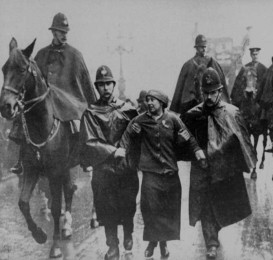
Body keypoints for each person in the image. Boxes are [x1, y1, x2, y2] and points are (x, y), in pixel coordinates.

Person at [120, 89, 205, 258]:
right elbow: (127, 135)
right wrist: (122, 149)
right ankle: (152, 243)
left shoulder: (173, 119)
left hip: (170, 173)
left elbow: (188, 137)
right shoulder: (140, 120)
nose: (149, 103)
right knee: (150, 210)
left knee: (168, 211)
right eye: (148, 100)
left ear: (162, 103)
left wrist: (197, 150)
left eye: (153, 100)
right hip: (150, 174)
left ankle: (163, 244)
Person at [182, 68, 256, 259]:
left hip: (224, 169)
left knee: (222, 203)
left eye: (213, 92)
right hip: (203, 169)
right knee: (205, 204)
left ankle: (216, 229)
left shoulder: (231, 113)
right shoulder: (192, 115)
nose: (208, 96)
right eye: (205, 92)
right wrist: (195, 151)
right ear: (201, 92)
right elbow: (183, 139)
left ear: (220, 91)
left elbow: (242, 140)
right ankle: (211, 242)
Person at [10, 12, 97, 174]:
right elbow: (30, 78)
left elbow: (87, 84)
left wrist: (94, 106)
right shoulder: (41, 54)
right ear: (53, 32)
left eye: (65, 32)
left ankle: (84, 157)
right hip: (45, 100)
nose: (64, 35)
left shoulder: (75, 55)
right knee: (24, 117)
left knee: (80, 123)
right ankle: (22, 160)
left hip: (69, 100)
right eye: (60, 31)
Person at [80, 65, 139, 260]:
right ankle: (112, 245)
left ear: (114, 85)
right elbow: (89, 141)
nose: (105, 88)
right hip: (103, 170)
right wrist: (114, 151)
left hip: (126, 169)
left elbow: (138, 135)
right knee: (106, 209)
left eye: (108, 84)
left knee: (128, 205)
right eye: (101, 85)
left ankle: (128, 233)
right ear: (97, 87)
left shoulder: (128, 109)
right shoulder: (91, 113)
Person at [170, 34, 230, 114]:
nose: (204, 49)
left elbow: (221, 82)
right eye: (201, 47)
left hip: (209, 99)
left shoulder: (212, 62)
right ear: (196, 48)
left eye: (205, 47)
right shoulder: (188, 65)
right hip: (192, 102)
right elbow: (180, 87)